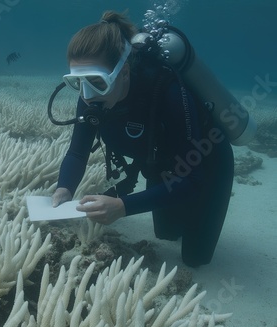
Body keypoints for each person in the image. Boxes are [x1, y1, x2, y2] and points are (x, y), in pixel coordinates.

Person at [50, 11, 234, 267]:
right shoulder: (90, 97)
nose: (87, 95)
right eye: (77, 82)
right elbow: (77, 153)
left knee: (195, 259)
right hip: (161, 166)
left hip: (205, 167)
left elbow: (192, 178)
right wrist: (64, 187)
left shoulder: (166, 91)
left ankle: (202, 217)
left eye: (97, 82)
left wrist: (123, 206)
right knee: (166, 234)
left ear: (123, 72)